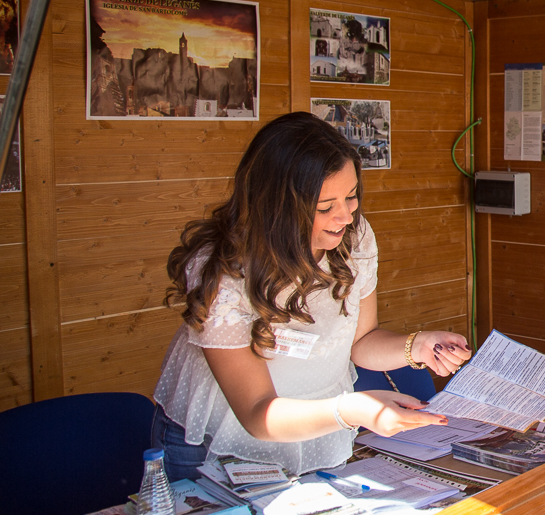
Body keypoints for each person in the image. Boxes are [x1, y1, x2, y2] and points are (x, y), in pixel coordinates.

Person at [152, 113, 472, 481]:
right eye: (325, 207)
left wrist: (418, 345)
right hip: (214, 439)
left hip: (319, 424)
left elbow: (361, 341)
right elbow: (259, 412)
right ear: (276, 207)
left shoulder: (354, 239)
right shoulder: (223, 271)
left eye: (351, 197)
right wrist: (352, 409)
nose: (346, 217)